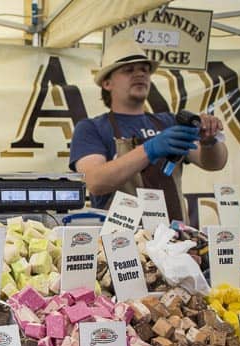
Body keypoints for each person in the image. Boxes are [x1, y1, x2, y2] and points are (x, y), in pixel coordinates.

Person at [69, 41, 228, 221]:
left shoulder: (169, 122)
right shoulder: (91, 128)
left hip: (174, 240)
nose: (140, 74)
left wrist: (210, 141)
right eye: (129, 70)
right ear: (107, 83)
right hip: (118, 242)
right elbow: (95, 182)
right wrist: (149, 150)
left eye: (145, 69)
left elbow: (214, 163)